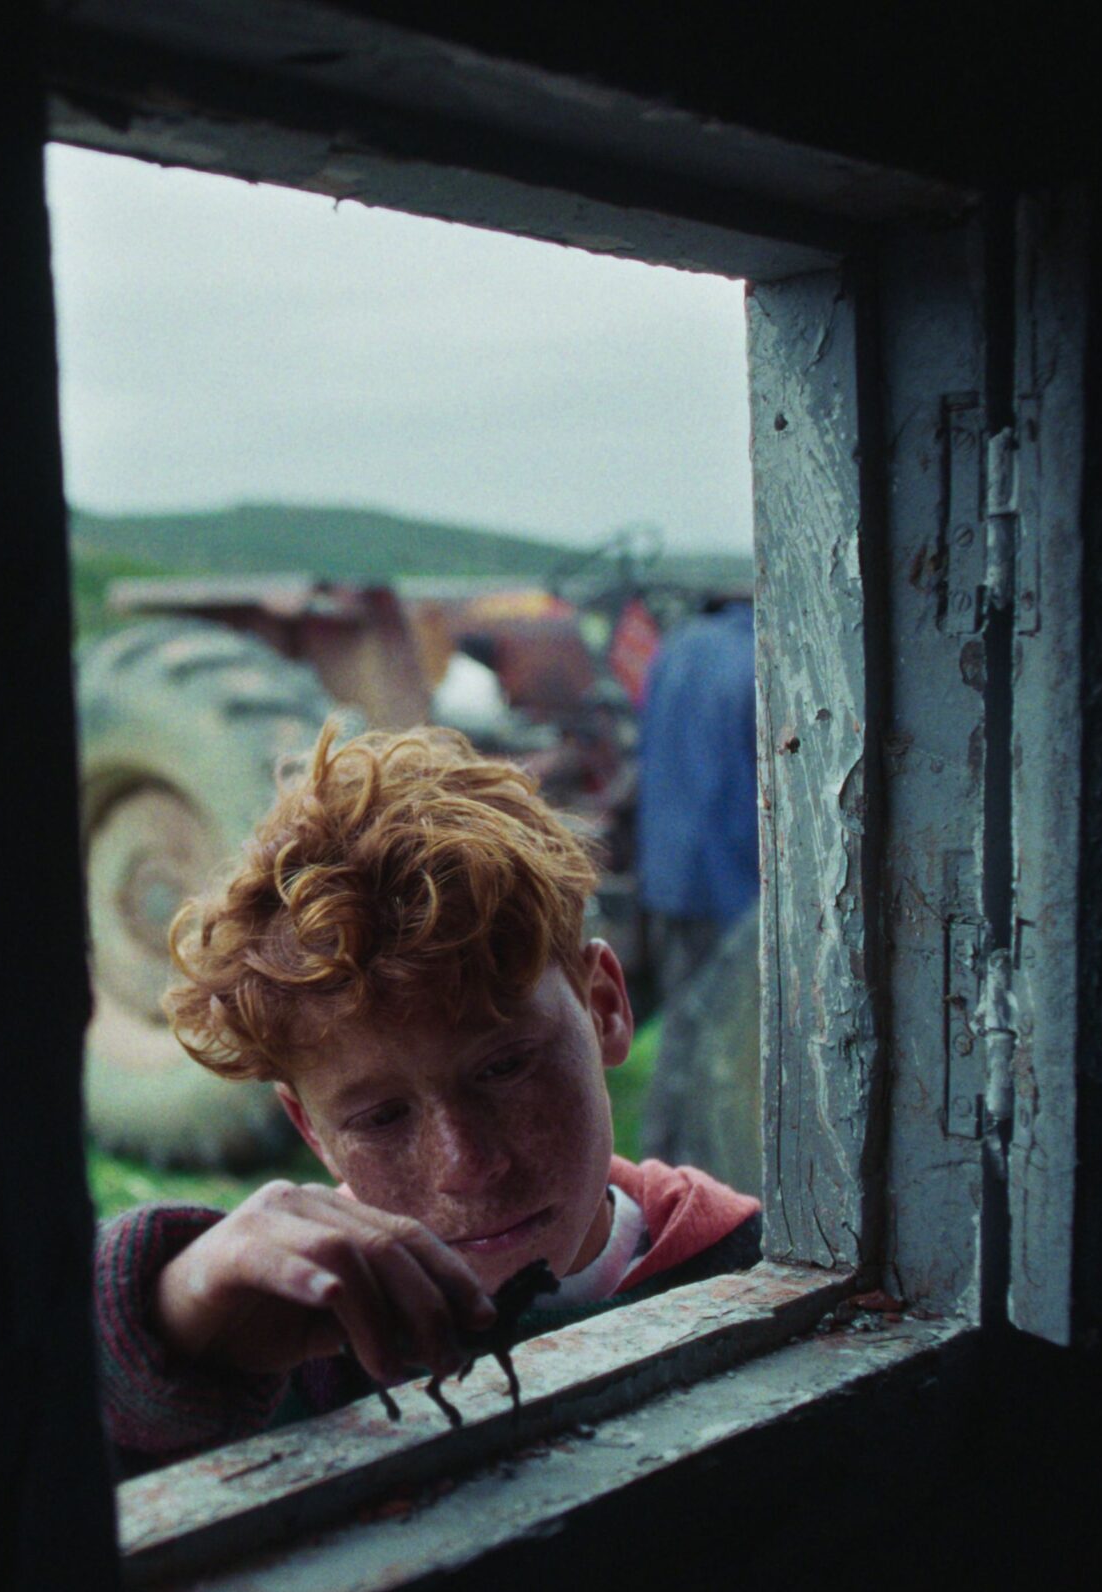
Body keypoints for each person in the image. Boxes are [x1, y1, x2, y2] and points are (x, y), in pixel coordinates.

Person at [95, 725, 760, 1477]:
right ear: (311, 1130)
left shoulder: (759, 1269)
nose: (465, 1166)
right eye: (381, 1118)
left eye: (506, 1067)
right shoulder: (285, 1344)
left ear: (604, 1007)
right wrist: (165, 1320)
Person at [632, 593, 757, 1009]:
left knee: (683, 1017)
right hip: (732, 881)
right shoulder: (760, 656)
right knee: (735, 1023)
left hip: (667, 873)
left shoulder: (676, 646)